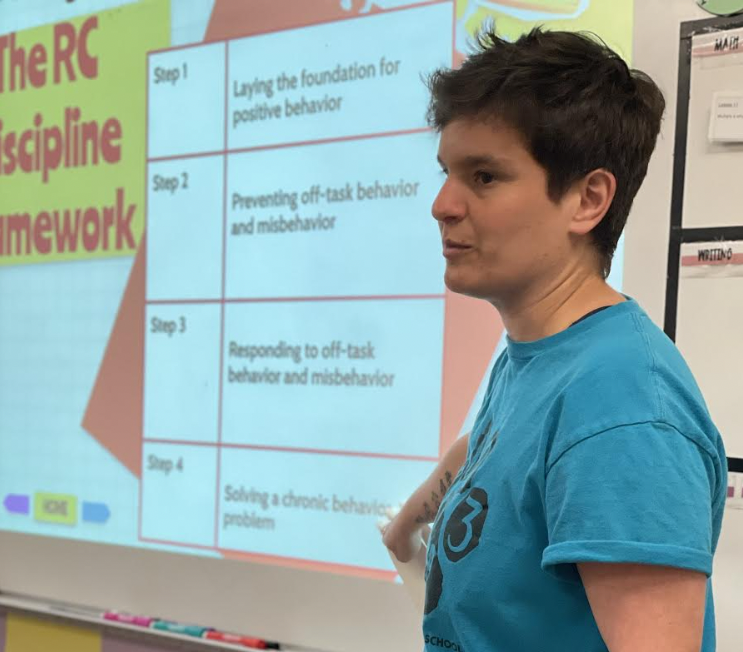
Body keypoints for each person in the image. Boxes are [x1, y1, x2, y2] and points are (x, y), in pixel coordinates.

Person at [382, 26, 727, 652]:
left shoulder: (623, 407)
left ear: (587, 200)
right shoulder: (546, 358)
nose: (442, 204)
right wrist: (409, 518)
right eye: (447, 172)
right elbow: (500, 450)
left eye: (484, 176)